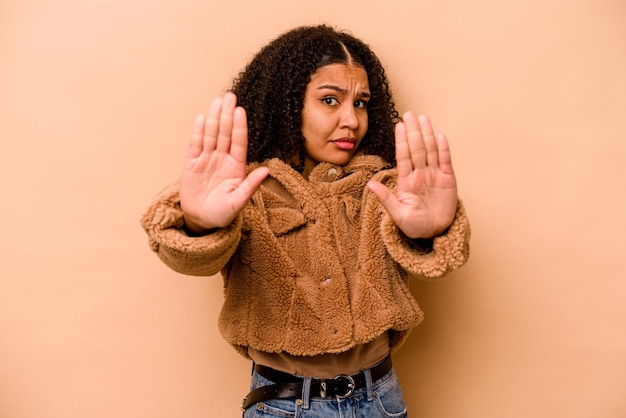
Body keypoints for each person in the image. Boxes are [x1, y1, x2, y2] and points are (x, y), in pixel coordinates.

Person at [141, 24, 470, 417]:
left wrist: (430, 233)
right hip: (284, 405)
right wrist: (199, 223)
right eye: (330, 100)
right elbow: (191, 259)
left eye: (361, 103)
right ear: (288, 103)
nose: (351, 119)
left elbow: (441, 260)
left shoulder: (385, 186)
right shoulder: (244, 190)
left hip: (381, 399)